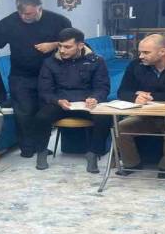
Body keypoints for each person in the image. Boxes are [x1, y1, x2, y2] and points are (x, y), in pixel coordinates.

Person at [0, 0, 72, 158]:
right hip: (20, 75)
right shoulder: (9, 22)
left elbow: (73, 41)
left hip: (49, 75)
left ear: (39, 8)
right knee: (23, 113)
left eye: (29, 13)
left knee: (43, 112)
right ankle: (27, 149)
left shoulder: (59, 21)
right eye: (21, 13)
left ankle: (41, 146)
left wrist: (53, 45)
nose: (24, 17)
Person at [114, 34, 165, 178]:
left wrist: (151, 96)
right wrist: (135, 97)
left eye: (146, 52)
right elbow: (122, 92)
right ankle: (131, 163)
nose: (141, 56)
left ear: (162, 52)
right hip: (148, 116)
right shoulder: (135, 65)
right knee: (120, 128)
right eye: (140, 52)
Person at [32, 27, 111, 173]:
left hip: (86, 103)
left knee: (105, 118)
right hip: (60, 102)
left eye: (67, 47)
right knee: (41, 117)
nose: (62, 50)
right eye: (60, 46)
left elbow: (102, 87)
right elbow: (45, 90)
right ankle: (41, 152)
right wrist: (58, 101)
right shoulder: (49, 62)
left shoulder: (96, 61)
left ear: (80, 45)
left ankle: (93, 153)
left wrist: (95, 98)